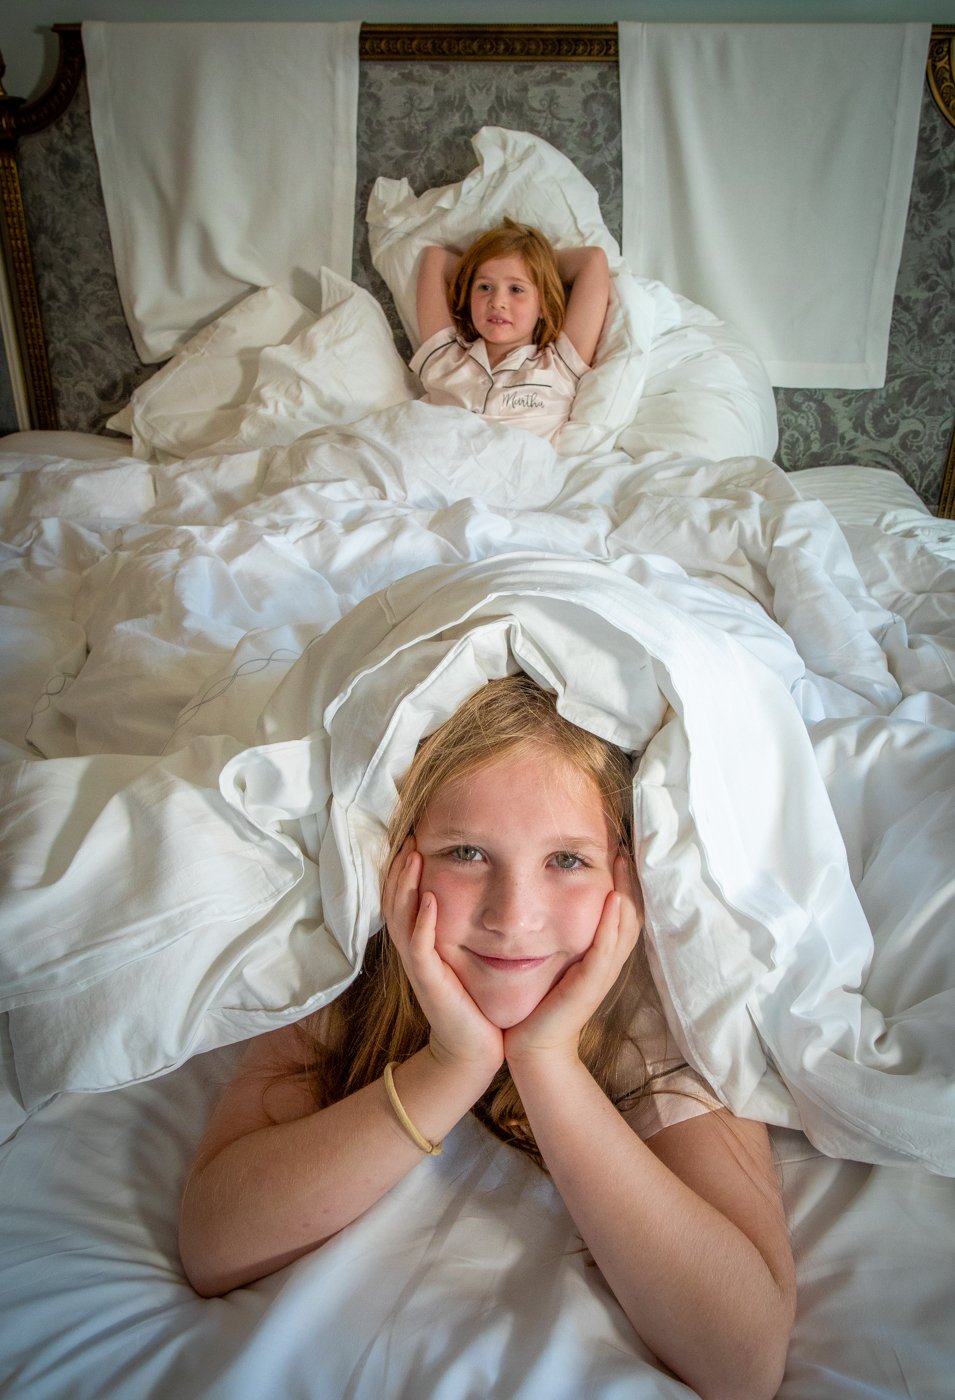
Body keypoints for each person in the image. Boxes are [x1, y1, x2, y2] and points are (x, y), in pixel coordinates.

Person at [179, 674, 795, 1400]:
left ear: (626, 876)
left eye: (567, 860)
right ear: (396, 855)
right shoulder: (355, 972)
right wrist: (452, 1062)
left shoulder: (663, 1011)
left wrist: (546, 1059)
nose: (512, 916)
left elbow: (740, 1363)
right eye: (466, 853)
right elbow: (215, 1248)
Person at [410, 219, 610, 444]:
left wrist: (534, 261)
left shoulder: (560, 364)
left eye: (516, 289)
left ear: (543, 305)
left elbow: (593, 260)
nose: (497, 302)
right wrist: (481, 266)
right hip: (435, 464)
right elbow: (434, 259)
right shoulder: (445, 357)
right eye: (485, 287)